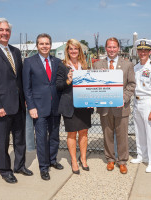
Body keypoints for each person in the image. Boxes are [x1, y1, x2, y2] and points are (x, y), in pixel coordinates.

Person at [0, 18, 33, 184]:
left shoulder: (15, 52)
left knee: (20, 139)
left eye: (7, 30)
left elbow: (19, 80)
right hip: (1, 107)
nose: (4, 33)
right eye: (1, 30)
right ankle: (5, 170)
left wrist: (24, 100)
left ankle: (20, 165)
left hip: (18, 105)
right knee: (2, 142)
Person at [22, 33, 63, 181]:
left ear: (50, 45)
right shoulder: (29, 62)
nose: (44, 46)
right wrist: (31, 107)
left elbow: (60, 82)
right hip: (38, 108)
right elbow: (26, 88)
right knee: (41, 138)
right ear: (37, 45)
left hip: (55, 106)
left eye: (47, 44)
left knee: (54, 136)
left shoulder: (57, 61)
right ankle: (43, 167)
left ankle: (52, 160)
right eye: (41, 44)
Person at [93, 37, 136, 174]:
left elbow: (131, 84)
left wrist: (123, 98)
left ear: (118, 48)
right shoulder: (97, 65)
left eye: (114, 47)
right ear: (106, 48)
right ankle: (110, 159)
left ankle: (122, 161)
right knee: (108, 134)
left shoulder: (127, 64)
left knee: (122, 135)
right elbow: (93, 85)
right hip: (105, 107)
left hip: (121, 106)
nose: (112, 50)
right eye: (109, 47)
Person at [56, 39, 93, 174]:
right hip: (69, 105)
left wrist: (91, 102)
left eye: (76, 49)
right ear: (67, 51)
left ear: (79, 51)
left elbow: (90, 85)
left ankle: (83, 158)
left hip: (84, 105)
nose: (73, 51)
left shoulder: (84, 64)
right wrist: (68, 81)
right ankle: (73, 161)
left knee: (84, 132)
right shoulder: (62, 66)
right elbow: (58, 86)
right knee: (72, 134)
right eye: (71, 49)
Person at [130, 39, 151, 173]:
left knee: (150, 133)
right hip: (137, 102)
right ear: (137, 51)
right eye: (140, 50)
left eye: (145, 50)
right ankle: (141, 155)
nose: (142, 53)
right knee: (139, 131)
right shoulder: (136, 67)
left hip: (149, 102)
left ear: (150, 52)